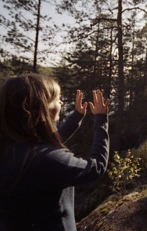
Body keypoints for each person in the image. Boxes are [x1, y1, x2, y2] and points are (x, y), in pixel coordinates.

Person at [0, 73, 110, 231]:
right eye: (56, 99)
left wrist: (76, 117)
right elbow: (96, 167)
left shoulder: (10, 147)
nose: (61, 102)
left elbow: (44, 144)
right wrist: (101, 120)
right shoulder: (48, 160)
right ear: (41, 108)